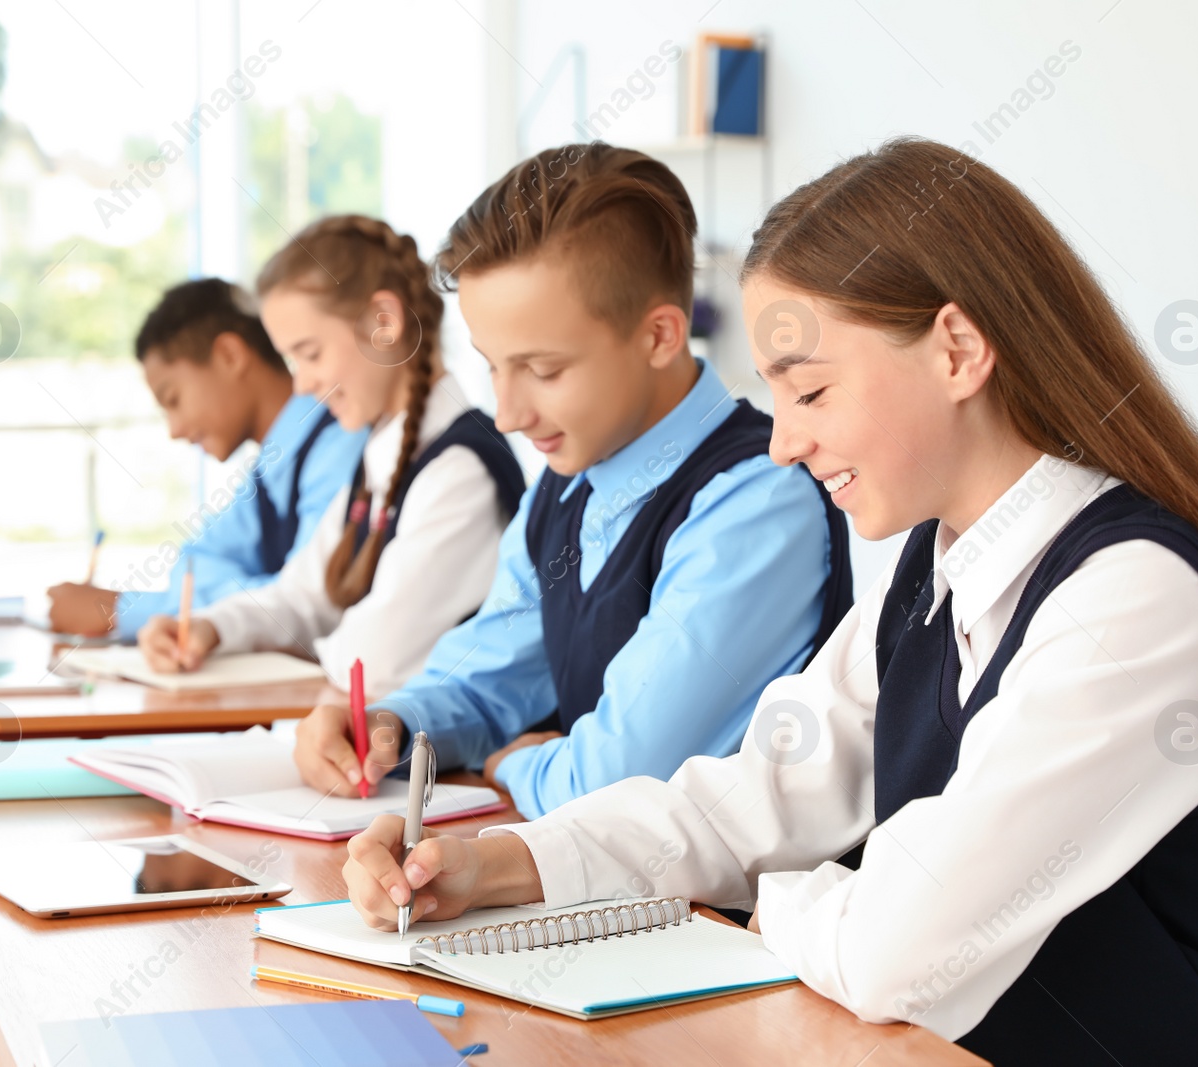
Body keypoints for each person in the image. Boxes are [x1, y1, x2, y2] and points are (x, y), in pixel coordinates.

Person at [340, 139, 1198, 1066]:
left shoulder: (1133, 599)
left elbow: (895, 951)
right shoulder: (931, 573)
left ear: (958, 351)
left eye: (812, 392)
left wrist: (775, 896)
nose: (782, 439)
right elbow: (747, 797)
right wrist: (491, 864)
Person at [292, 143, 851, 818]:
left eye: (544, 370)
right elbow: (484, 679)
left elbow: (614, 780)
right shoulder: (564, 488)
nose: (506, 413)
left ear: (660, 336)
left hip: (723, 918)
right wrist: (389, 726)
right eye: (493, 366)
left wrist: (513, 761)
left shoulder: (758, 500)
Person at [136, 216, 525, 704]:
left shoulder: (459, 471)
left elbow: (374, 660)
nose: (301, 385)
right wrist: (210, 628)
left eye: (310, 354)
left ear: (384, 322)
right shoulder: (378, 460)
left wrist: (295, 650)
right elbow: (304, 594)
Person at [45, 277, 365, 639]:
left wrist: (120, 611)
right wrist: (254, 591)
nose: (175, 430)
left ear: (230, 356)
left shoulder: (341, 445)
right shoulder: (269, 472)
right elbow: (192, 566)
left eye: (173, 399)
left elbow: (307, 600)